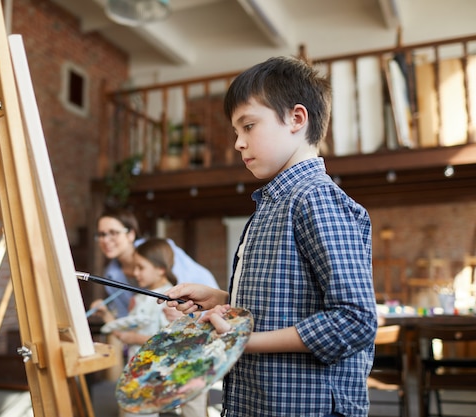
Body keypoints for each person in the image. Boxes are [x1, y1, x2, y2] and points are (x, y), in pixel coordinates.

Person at [162, 56, 377, 417]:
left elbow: (355, 319)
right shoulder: (275, 202)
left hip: (304, 406)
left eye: (248, 126)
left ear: (296, 118)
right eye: (235, 132)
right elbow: (291, 300)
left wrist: (243, 340)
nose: (238, 144)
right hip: (260, 401)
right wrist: (223, 299)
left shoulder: (314, 198)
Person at [92, 238, 209, 417]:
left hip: (166, 373)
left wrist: (133, 338)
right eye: (134, 267)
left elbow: (172, 342)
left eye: (141, 267)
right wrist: (106, 314)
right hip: (143, 372)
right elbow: (122, 332)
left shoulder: (172, 299)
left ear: (160, 269)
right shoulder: (139, 298)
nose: (135, 272)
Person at [94, 207, 219, 319]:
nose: (105, 240)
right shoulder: (110, 275)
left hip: (206, 310)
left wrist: (190, 314)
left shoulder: (159, 251)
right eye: (101, 234)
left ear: (131, 234)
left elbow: (181, 293)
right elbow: (126, 317)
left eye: (113, 233)